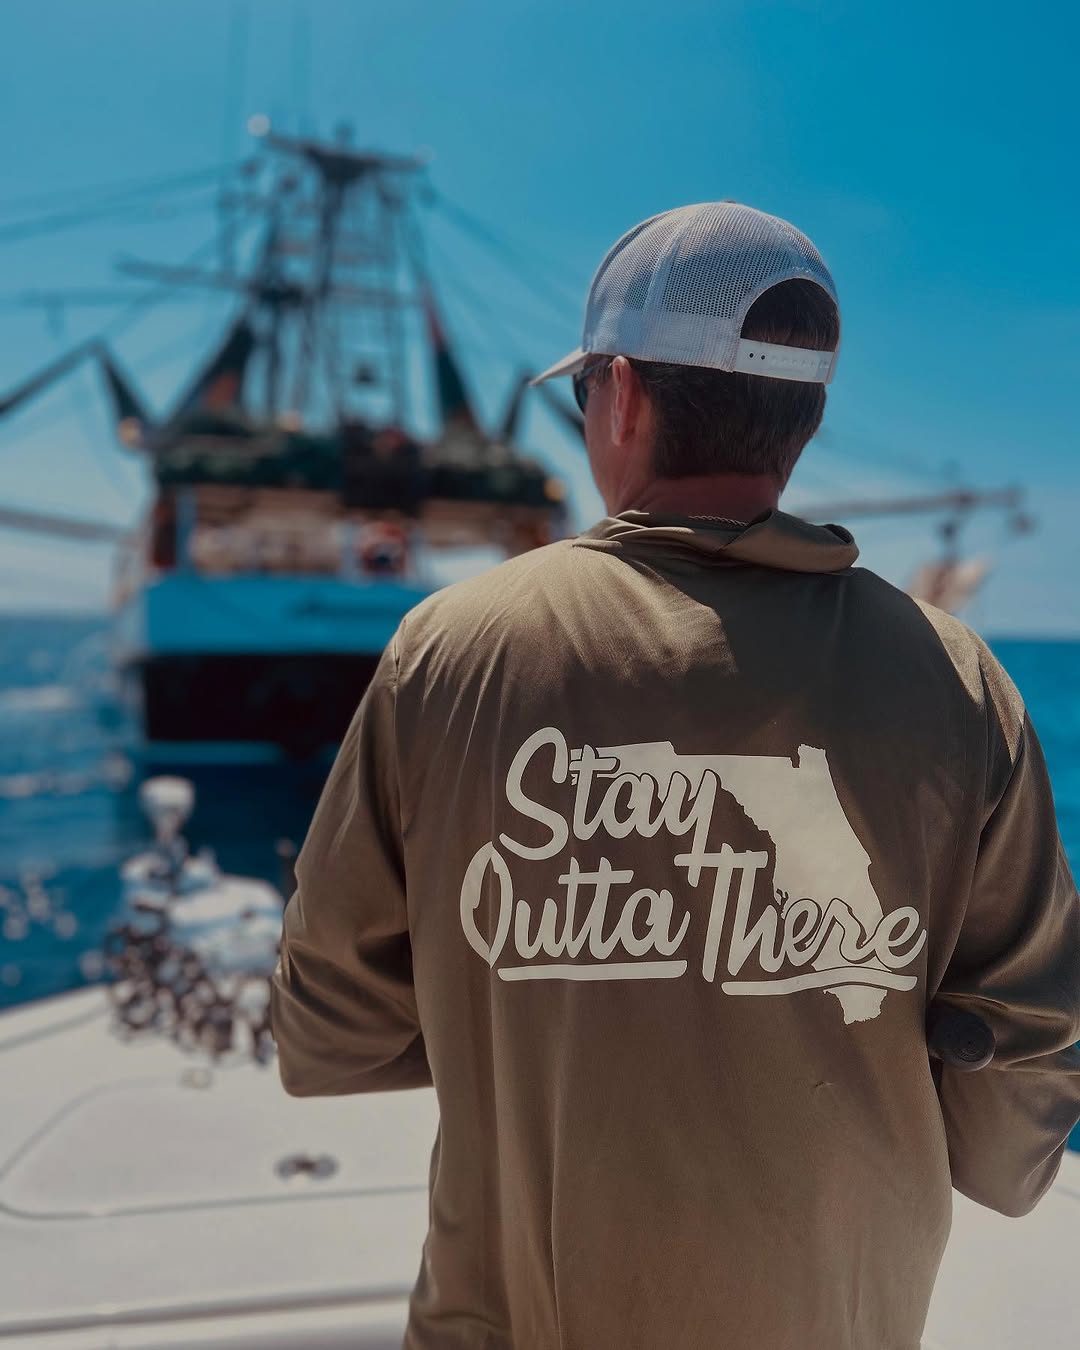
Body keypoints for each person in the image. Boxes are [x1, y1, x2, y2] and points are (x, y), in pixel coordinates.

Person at [271, 202, 1080, 1350]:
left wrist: (516, 1012)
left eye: (582, 396)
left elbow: (328, 1032)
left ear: (623, 396)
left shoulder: (447, 649)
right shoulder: (960, 680)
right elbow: (1017, 1104)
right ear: (805, 417)